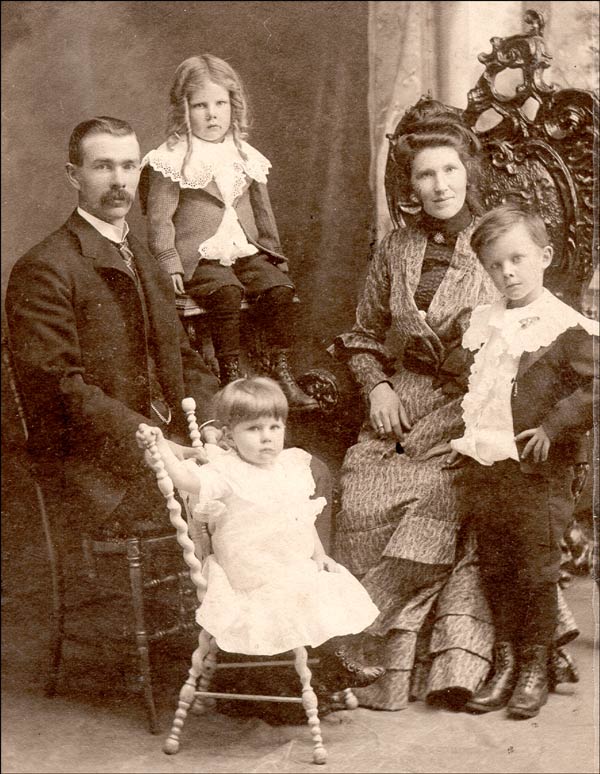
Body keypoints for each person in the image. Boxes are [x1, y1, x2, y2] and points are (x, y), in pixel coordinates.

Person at [329, 99, 580, 711]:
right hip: (401, 404)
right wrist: (377, 386)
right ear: (409, 184)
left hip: (475, 410)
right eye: (424, 174)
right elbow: (362, 332)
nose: (439, 186)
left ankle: (454, 659)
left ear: (469, 172)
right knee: (359, 492)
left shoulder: (499, 242)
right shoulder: (394, 247)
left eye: (450, 171)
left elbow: (538, 340)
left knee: (447, 498)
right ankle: (352, 650)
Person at [5, 116, 220, 537]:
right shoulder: (45, 268)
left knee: (294, 477)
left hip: (172, 444)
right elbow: (61, 387)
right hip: (104, 470)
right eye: (103, 166)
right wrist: (152, 441)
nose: (120, 180)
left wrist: (213, 426)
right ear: (74, 176)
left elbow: (182, 357)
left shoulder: (144, 259)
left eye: (129, 165)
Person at [423, 204, 596, 719]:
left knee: (536, 569)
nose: (508, 273)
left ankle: (535, 666)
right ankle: (504, 660)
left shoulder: (567, 326)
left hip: (538, 473)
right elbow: (475, 378)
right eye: (496, 266)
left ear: (544, 256)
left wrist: (553, 426)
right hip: (487, 463)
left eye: (518, 259)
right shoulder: (484, 319)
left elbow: (595, 386)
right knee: (496, 565)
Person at [137, 377, 385, 690]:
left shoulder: (288, 467)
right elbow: (187, 481)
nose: (266, 438)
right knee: (304, 592)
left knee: (329, 585)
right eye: (253, 429)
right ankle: (329, 669)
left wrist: (319, 554)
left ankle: (336, 663)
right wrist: (161, 448)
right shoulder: (225, 471)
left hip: (287, 561)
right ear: (230, 435)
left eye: (274, 428)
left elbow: (301, 516)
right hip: (251, 569)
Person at [141, 54, 317, 410]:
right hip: (200, 256)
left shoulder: (244, 154)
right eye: (200, 105)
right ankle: (231, 376)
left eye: (220, 103)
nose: (212, 114)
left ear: (233, 106)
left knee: (279, 290)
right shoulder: (171, 158)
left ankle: (281, 370)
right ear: (183, 109)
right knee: (225, 292)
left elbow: (262, 215)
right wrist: (169, 261)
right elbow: (159, 218)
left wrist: (274, 257)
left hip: (245, 250)